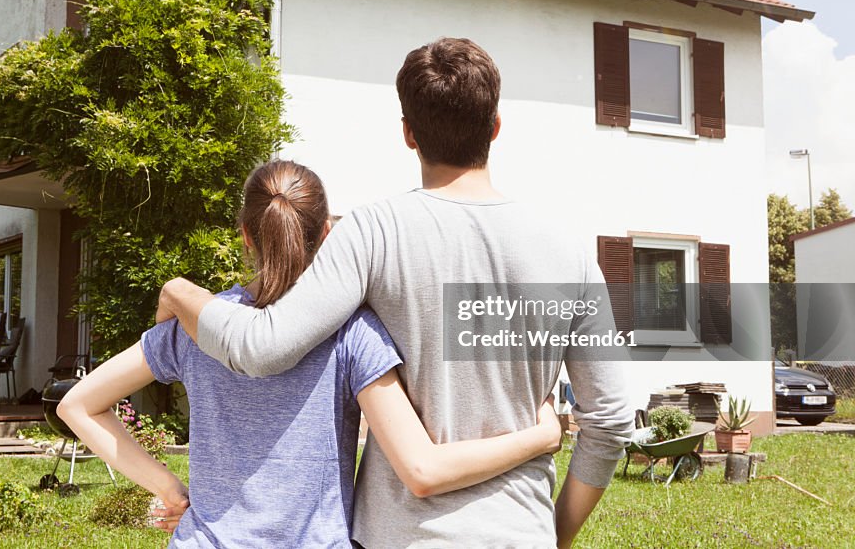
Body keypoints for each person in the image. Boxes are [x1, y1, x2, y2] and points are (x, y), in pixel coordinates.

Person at [156, 38, 636, 548]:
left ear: (408, 134)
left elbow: (263, 347)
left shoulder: (372, 233)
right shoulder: (571, 253)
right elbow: (610, 421)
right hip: (521, 533)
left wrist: (180, 292)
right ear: (495, 128)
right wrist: (552, 536)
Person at [58, 159, 565, 547]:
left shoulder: (198, 326)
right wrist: (542, 435)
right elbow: (423, 469)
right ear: (327, 233)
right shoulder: (351, 333)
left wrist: (167, 487)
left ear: (245, 235)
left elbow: (77, 405)